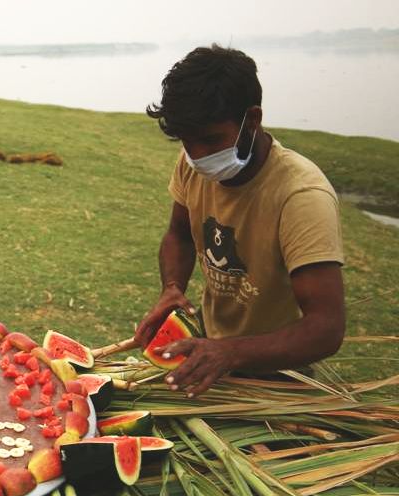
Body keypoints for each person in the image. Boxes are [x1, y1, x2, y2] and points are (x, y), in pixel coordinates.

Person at [135, 45, 345, 397]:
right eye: (187, 141)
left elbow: (325, 328)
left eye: (211, 139)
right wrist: (172, 288)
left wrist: (230, 352)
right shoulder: (191, 163)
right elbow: (180, 236)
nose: (199, 156)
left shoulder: (301, 196)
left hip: (283, 378)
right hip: (211, 357)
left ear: (253, 118)